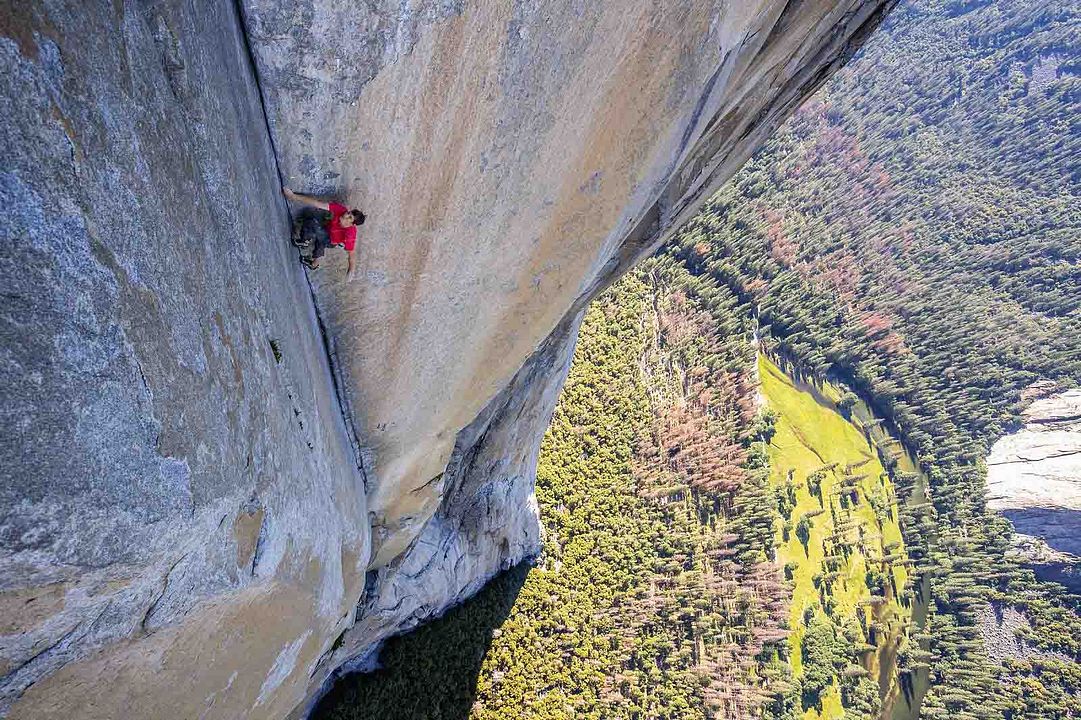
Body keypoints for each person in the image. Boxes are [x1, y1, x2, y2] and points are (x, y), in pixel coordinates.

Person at [282, 186, 365, 279]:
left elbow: (352, 254)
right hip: (327, 230)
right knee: (320, 239)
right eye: (349, 213)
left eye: (350, 217)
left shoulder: (350, 233)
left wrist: (351, 271)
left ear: (352, 224)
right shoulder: (341, 210)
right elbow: (317, 204)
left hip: (330, 240)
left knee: (313, 224)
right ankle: (314, 264)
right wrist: (293, 196)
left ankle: (305, 241)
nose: (346, 215)